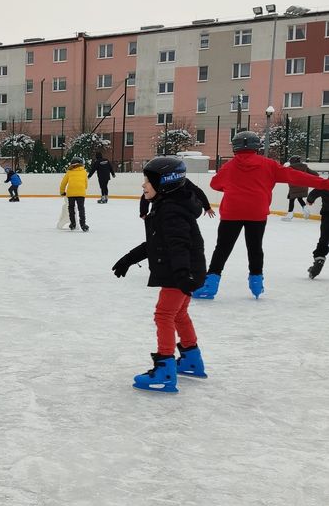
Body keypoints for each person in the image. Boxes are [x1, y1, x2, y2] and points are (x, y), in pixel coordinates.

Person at [193, 131, 329, 299]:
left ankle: (210, 285)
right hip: (257, 212)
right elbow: (296, 176)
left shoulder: (228, 166)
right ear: (256, 146)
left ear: (235, 148)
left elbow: (215, 184)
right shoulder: (269, 165)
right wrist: (324, 183)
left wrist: (230, 188)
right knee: (255, 247)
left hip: (232, 212)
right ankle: (256, 284)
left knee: (222, 248)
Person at [111, 157, 207, 393]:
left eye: (147, 181)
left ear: (164, 184)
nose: (143, 186)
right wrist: (129, 259)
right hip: (187, 271)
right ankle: (191, 359)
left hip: (180, 273)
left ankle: (164, 369)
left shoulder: (171, 211)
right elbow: (157, 243)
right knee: (179, 314)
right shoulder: (168, 205)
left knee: (164, 314)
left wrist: (183, 275)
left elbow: (179, 245)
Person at [59, 157, 90, 232]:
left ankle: (73, 224)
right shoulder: (84, 172)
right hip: (81, 193)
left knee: (71, 208)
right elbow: (86, 184)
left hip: (71, 193)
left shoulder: (69, 172)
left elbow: (63, 183)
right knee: (81, 208)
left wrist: (62, 192)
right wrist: (82, 189)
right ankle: (83, 225)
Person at [307, 187, 328, 279]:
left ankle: (320, 258)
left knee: (324, 239)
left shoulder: (326, 184)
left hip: (327, 216)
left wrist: (310, 201)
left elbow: (312, 194)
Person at [285, 156, 314, 220]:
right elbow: (316, 174)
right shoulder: (304, 167)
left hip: (294, 187)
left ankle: (290, 214)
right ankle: (306, 210)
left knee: (291, 199)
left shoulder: (290, 168)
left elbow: (284, 175)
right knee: (299, 199)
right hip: (303, 186)